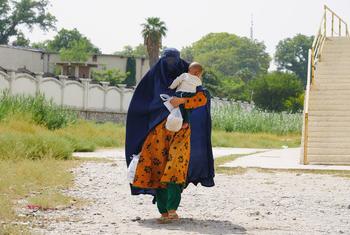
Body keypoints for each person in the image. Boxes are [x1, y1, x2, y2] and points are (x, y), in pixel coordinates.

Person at [125, 48, 214, 223]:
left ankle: (172, 208)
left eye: (174, 60)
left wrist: (182, 101)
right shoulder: (151, 81)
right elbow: (140, 108)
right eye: (167, 60)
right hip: (156, 135)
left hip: (181, 131)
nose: (171, 64)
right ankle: (163, 210)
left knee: (175, 169)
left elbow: (203, 98)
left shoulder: (189, 77)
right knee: (158, 170)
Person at [169, 62, 203, 129]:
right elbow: (199, 89)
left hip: (181, 93)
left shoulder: (185, 75)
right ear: (197, 73)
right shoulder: (199, 81)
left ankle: (177, 119)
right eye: (200, 74)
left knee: (180, 107)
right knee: (189, 108)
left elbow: (177, 81)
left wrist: (171, 87)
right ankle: (186, 122)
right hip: (191, 95)